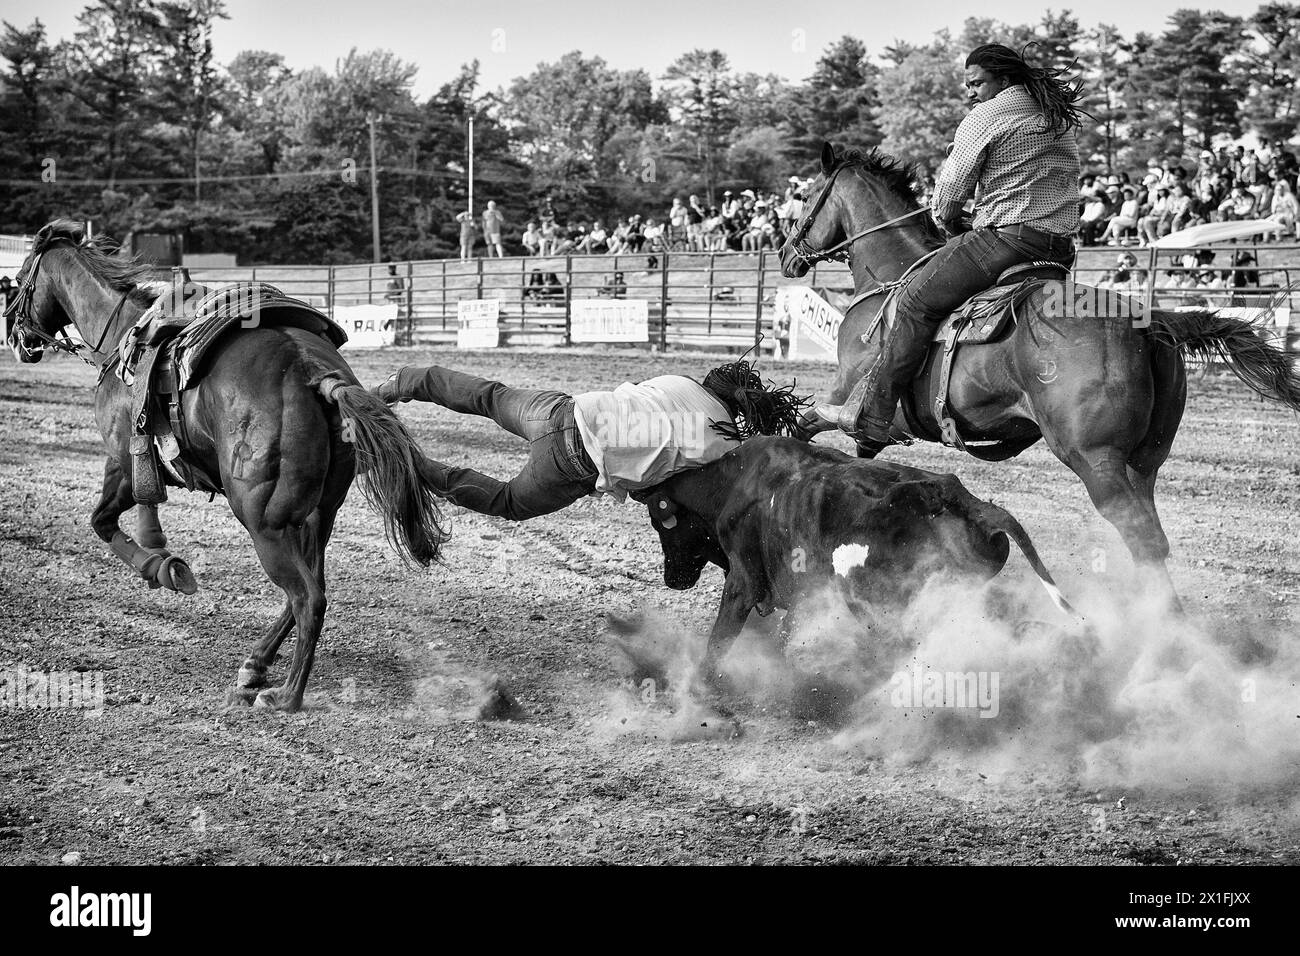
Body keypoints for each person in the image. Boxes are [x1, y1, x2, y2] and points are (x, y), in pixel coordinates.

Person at [815, 43, 1084, 451]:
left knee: (913, 303)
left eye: (977, 83)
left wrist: (950, 218)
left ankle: (874, 413)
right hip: (1058, 250)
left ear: (1004, 80)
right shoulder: (1054, 116)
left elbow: (948, 194)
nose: (971, 92)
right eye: (968, 84)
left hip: (1005, 241)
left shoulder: (986, 116)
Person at [371, 359, 809, 521]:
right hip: (571, 464)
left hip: (563, 409)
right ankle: (411, 463)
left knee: (490, 397)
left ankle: (402, 382)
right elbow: (661, 487)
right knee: (508, 502)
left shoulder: (680, 380)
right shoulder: (721, 442)